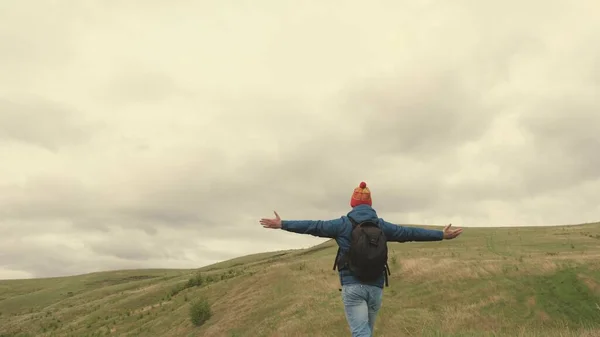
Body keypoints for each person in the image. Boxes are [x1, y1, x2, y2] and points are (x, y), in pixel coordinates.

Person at [259, 181, 463, 337]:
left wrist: (282, 224)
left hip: (352, 285)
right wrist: (441, 235)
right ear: (370, 204)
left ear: (352, 203)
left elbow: (314, 226)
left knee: (361, 333)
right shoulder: (382, 226)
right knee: (366, 331)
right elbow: (409, 233)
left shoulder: (342, 224)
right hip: (376, 285)